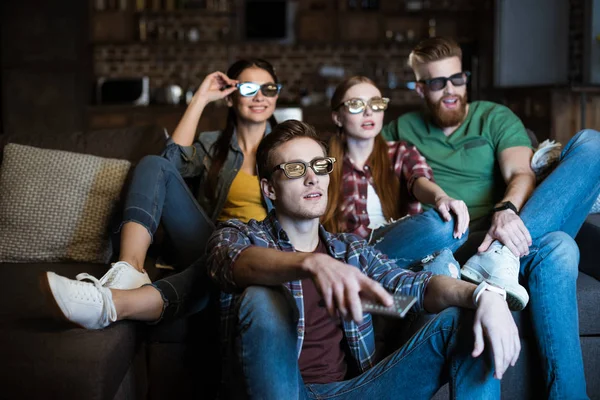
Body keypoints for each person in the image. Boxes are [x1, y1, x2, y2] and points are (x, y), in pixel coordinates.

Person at [208, 119, 520, 399]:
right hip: (282, 389)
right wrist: (311, 263)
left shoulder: (351, 251)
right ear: (269, 189)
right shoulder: (239, 235)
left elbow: (415, 288)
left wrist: (485, 294)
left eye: (319, 166)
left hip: (353, 391)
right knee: (261, 297)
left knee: (460, 320)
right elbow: (230, 262)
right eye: (294, 169)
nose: (312, 178)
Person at [382, 36, 600, 398]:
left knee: (592, 145)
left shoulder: (493, 116)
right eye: (437, 83)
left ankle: (498, 257)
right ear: (420, 88)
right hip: (451, 246)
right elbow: (359, 165)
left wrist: (506, 210)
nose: (450, 90)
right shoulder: (400, 131)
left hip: (511, 232)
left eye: (457, 79)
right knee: (561, 245)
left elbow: (520, 174)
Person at [40, 58, 282, 329]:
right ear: (230, 97)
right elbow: (169, 163)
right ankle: (130, 269)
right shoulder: (212, 145)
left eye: (269, 89)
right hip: (209, 239)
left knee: (211, 270)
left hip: (260, 247)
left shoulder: (287, 147)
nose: (260, 96)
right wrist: (201, 98)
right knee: (153, 164)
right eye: (249, 88)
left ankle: (109, 304)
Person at [323, 75, 469, 277]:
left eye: (376, 104)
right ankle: (394, 280)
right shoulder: (323, 162)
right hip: (350, 253)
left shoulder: (400, 152)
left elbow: (419, 181)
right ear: (338, 117)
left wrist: (441, 197)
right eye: (356, 105)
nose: (368, 112)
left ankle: (376, 279)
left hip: (402, 246)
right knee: (442, 269)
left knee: (452, 222)